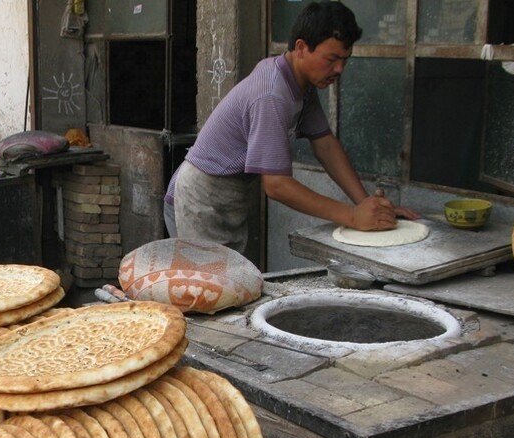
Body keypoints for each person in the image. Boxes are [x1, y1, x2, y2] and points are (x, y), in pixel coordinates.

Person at [164, 1, 418, 254]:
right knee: (208, 278)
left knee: (229, 275)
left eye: (345, 60)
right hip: (199, 199)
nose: (339, 69)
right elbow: (276, 185)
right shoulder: (271, 94)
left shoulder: (300, 84)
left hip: (225, 196)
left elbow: (326, 145)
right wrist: (352, 216)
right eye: (331, 59)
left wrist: (369, 207)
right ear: (301, 47)